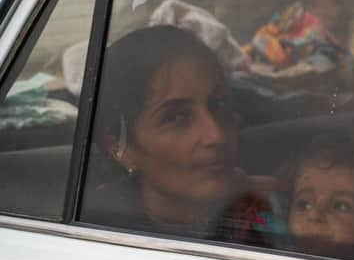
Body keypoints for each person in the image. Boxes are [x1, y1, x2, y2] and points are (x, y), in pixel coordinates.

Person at [81, 25, 271, 243]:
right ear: (119, 148)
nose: (216, 135)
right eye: (176, 118)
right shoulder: (97, 239)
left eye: (218, 104)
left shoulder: (278, 210)